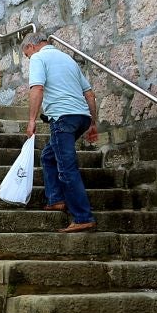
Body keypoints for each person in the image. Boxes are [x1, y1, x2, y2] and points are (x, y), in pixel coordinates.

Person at [22, 29, 100, 233]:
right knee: (48, 157)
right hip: (81, 118)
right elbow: (89, 94)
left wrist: (31, 120)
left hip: (63, 118)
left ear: (31, 46)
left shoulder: (39, 58)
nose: (28, 58)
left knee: (66, 167)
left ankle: (83, 216)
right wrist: (92, 123)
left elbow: (37, 88)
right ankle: (55, 199)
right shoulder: (68, 59)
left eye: (26, 54)